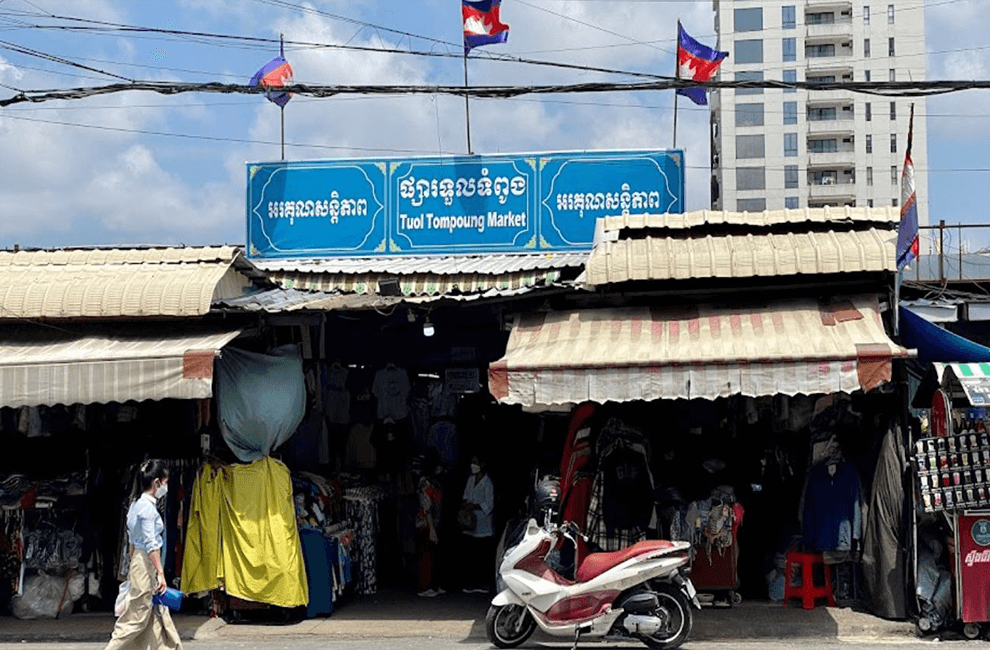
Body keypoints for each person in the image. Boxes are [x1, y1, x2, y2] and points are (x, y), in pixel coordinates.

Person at [106, 460, 182, 650]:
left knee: (154, 614)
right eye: (165, 482)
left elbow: (132, 543)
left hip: (138, 562)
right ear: (157, 482)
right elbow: (151, 545)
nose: (166, 486)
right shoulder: (148, 509)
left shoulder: (135, 505)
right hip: (145, 563)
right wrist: (160, 573)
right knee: (136, 618)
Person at [460, 454, 495, 594]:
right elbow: (465, 497)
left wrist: (475, 506)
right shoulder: (470, 480)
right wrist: (467, 505)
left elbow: (489, 504)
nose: (472, 465)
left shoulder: (488, 483)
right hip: (470, 523)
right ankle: (471, 583)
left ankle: (483, 584)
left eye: (475, 462)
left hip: (484, 523)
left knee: (483, 555)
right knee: (471, 554)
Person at [416, 450, 444, 597]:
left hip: (435, 522)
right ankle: (424, 586)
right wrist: (431, 528)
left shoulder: (435, 481)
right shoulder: (425, 482)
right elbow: (426, 507)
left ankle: (433, 584)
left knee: (433, 555)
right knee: (426, 555)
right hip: (426, 523)